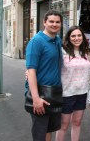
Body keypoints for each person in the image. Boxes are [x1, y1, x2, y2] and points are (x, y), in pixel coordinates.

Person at [25, 10, 63, 141]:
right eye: (51, 21)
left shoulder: (57, 40)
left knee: (48, 130)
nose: (54, 24)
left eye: (57, 22)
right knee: (40, 134)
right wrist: (36, 99)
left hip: (54, 93)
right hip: (40, 94)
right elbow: (31, 71)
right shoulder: (36, 41)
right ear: (44, 22)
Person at [55, 26, 90, 141]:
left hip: (82, 92)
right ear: (69, 38)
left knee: (77, 122)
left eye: (79, 35)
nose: (77, 38)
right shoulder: (62, 51)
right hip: (67, 93)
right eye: (73, 36)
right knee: (64, 124)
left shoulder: (86, 52)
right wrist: (30, 71)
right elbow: (49, 62)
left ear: (83, 37)